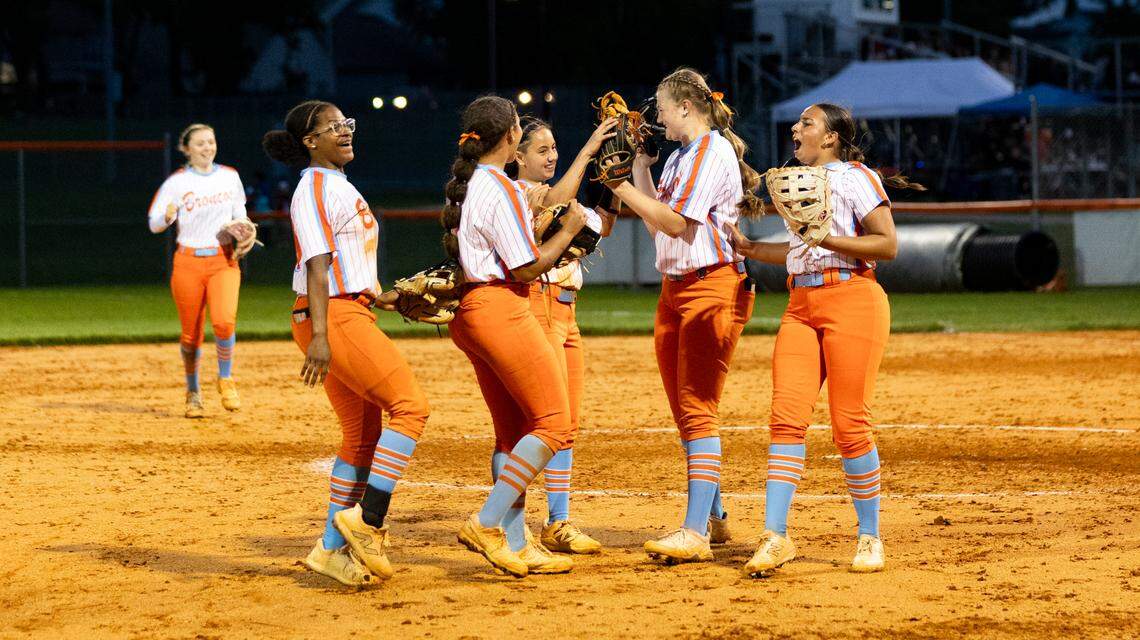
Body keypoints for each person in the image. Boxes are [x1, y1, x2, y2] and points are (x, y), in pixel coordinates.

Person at [729, 102, 923, 576]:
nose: (796, 128)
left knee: (849, 423)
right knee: (785, 419)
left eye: (808, 123)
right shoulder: (800, 182)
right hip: (801, 307)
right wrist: (751, 248)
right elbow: (799, 251)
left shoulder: (857, 177)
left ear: (832, 137)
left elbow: (888, 245)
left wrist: (826, 240)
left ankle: (870, 536)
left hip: (853, 298)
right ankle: (775, 536)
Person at [263, 100, 431, 586]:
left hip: (346, 308)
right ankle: (368, 522)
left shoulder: (336, 184)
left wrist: (391, 298)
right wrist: (320, 335)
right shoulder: (313, 187)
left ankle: (331, 549)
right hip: (330, 315)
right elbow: (316, 263)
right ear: (310, 142)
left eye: (347, 124)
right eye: (333, 127)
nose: (345, 131)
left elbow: (345, 266)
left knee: (362, 438)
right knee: (411, 407)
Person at [602, 67, 761, 564]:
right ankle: (713, 520)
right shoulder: (680, 158)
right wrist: (643, 170)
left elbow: (674, 221)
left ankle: (693, 532)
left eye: (662, 106)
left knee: (697, 408)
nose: (656, 115)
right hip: (677, 289)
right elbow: (661, 230)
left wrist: (617, 186)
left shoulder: (711, 152)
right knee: (685, 411)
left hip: (711, 286)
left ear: (686, 108)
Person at [442, 95, 589, 578]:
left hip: (475, 310)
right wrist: (568, 230)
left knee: (512, 434)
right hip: (502, 307)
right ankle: (487, 524)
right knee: (554, 425)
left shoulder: (474, 186)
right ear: (509, 139)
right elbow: (526, 267)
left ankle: (518, 541)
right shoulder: (499, 187)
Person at [498, 115, 618, 560]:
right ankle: (511, 528)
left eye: (555, 149)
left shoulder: (561, 193)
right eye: (542, 150)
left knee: (565, 423)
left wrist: (613, 184)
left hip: (567, 312)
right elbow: (551, 200)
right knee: (537, 420)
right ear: (518, 156)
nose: (551, 156)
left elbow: (600, 226)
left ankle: (558, 521)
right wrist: (588, 151)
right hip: (535, 304)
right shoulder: (519, 193)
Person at [148, 123, 247, 419]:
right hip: (188, 262)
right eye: (201, 143)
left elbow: (240, 214)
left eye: (211, 142)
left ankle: (225, 378)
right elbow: (154, 224)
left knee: (224, 322)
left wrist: (241, 228)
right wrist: (166, 217)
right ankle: (193, 392)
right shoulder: (176, 183)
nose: (208, 147)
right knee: (191, 336)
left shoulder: (230, 177)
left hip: (223, 260)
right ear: (187, 149)